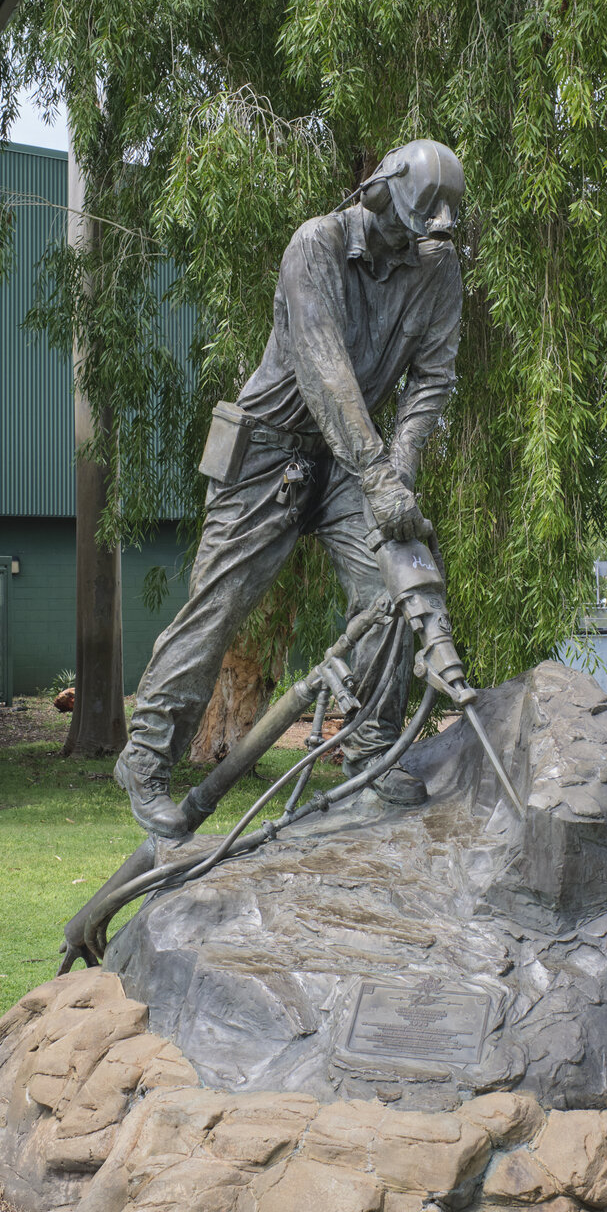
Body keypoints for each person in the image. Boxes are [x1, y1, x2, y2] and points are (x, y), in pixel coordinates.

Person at [114, 139, 464, 838]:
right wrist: (376, 471)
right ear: (375, 193)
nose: (407, 242)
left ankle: (369, 750)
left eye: (420, 232)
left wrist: (396, 475)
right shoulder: (317, 245)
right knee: (220, 605)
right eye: (400, 224)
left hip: (350, 459)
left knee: (391, 585)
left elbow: (431, 381)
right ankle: (146, 757)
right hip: (266, 447)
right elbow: (325, 371)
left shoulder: (436, 268)